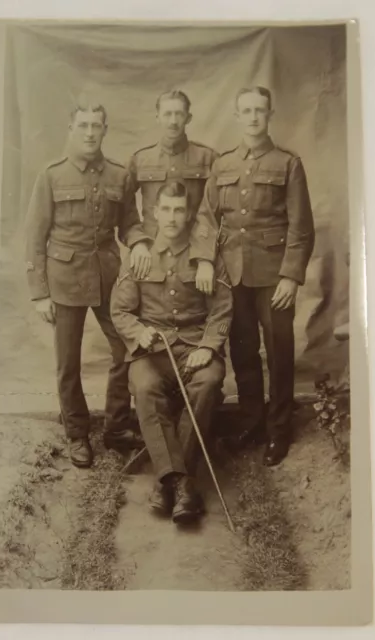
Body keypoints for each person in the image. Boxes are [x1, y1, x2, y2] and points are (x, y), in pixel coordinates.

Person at [25, 91, 152, 468]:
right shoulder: (51, 175)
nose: (90, 132)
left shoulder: (118, 174)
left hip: (109, 275)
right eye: (83, 125)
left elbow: (130, 222)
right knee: (68, 361)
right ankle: (77, 433)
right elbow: (35, 236)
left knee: (125, 350)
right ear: (71, 128)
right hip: (63, 277)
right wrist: (39, 294)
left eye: (97, 126)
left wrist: (140, 243)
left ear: (105, 130)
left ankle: (116, 427)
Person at [194, 86, 315, 466]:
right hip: (233, 275)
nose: (252, 117)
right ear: (236, 116)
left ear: (270, 114)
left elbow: (301, 227)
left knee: (278, 352)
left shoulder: (288, 164)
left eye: (259, 110)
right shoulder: (223, 164)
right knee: (243, 352)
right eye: (245, 110)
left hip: (273, 276)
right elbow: (205, 217)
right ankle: (252, 421)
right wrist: (205, 260)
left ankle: (279, 430)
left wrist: (291, 278)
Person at [110, 181, 233, 524]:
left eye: (179, 210)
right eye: (165, 209)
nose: (172, 217)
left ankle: (171, 483)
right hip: (152, 350)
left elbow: (222, 309)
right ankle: (181, 484)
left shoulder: (206, 257)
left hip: (194, 346)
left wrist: (209, 347)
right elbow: (120, 311)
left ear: (190, 214)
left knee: (208, 382)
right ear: (154, 212)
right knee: (146, 387)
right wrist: (140, 332)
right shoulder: (141, 255)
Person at [127, 89, 219, 295]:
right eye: (167, 114)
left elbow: (215, 212)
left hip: (194, 251)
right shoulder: (141, 160)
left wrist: (205, 257)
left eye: (179, 114)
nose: (173, 121)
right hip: (152, 253)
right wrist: (137, 242)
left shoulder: (207, 158)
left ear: (188, 118)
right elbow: (123, 208)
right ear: (157, 117)